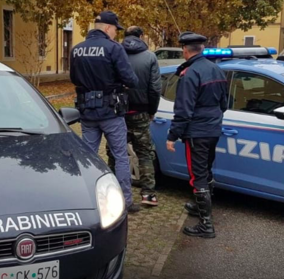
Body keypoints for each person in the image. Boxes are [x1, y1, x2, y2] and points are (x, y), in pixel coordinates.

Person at [70, 11, 140, 213]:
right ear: (108, 28)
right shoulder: (113, 48)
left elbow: (74, 78)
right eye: (115, 30)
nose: (116, 34)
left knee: (88, 157)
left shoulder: (77, 50)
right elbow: (131, 80)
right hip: (111, 112)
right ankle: (125, 201)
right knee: (120, 156)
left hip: (87, 113)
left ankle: (89, 200)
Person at [166, 31, 228, 238]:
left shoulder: (190, 74)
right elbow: (224, 105)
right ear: (201, 48)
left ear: (185, 50)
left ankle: (206, 225)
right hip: (213, 130)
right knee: (206, 170)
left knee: (198, 176)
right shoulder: (217, 70)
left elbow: (183, 111)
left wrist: (172, 136)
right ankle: (199, 207)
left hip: (197, 133)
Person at [107, 26, 161, 206]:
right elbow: (154, 88)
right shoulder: (150, 57)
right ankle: (148, 195)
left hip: (117, 113)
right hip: (140, 112)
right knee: (144, 153)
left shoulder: (114, 53)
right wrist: (151, 110)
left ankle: (114, 192)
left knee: (116, 153)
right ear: (141, 36)